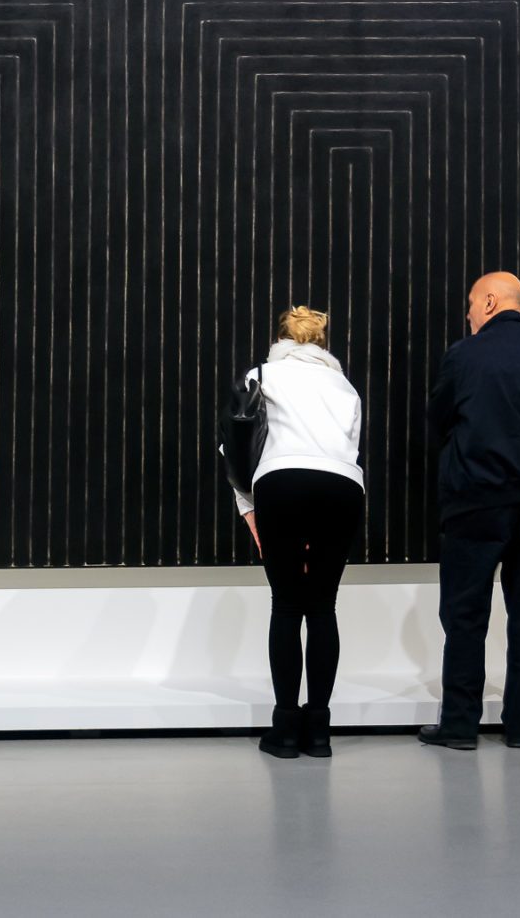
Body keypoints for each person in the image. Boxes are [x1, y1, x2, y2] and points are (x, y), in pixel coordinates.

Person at [419, 271, 520, 751]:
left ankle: (460, 725)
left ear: (490, 301)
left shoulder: (464, 355)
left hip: (476, 500)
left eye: (471, 303)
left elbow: (438, 419)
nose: (468, 314)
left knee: (466, 614)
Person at [228, 307, 366, 759]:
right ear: (321, 344)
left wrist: (248, 506)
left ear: (280, 340)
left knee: (287, 605)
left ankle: (286, 730)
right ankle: (320, 732)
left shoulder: (261, 376)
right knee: (323, 605)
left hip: (281, 482)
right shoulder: (345, 386)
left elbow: (236, 444)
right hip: (342, 486)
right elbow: (349, 446)